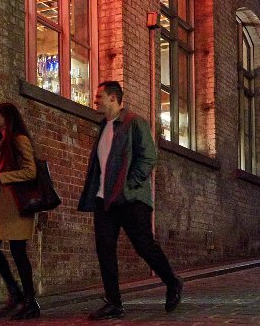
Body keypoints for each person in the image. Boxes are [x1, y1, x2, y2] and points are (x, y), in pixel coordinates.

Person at [78, 81, 183, 320]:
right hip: (105, 200)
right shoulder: (103, 126)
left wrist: (129, 183)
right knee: (104, 249)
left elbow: (148, 157)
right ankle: (114, 303)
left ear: (113, 98)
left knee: (144, 245)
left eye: (100, 96)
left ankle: (172, 281)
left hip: (131, 198)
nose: (96, 100)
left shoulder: (134, 122)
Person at [0, 102, 40, 320]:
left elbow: (30, 172)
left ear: (7, 118)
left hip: (17, 206)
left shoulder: (20, 140)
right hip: (4, 207)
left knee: (17, 251)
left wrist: (1, 177)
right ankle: (16, 291)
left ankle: (29, 300)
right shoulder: (3, 141)